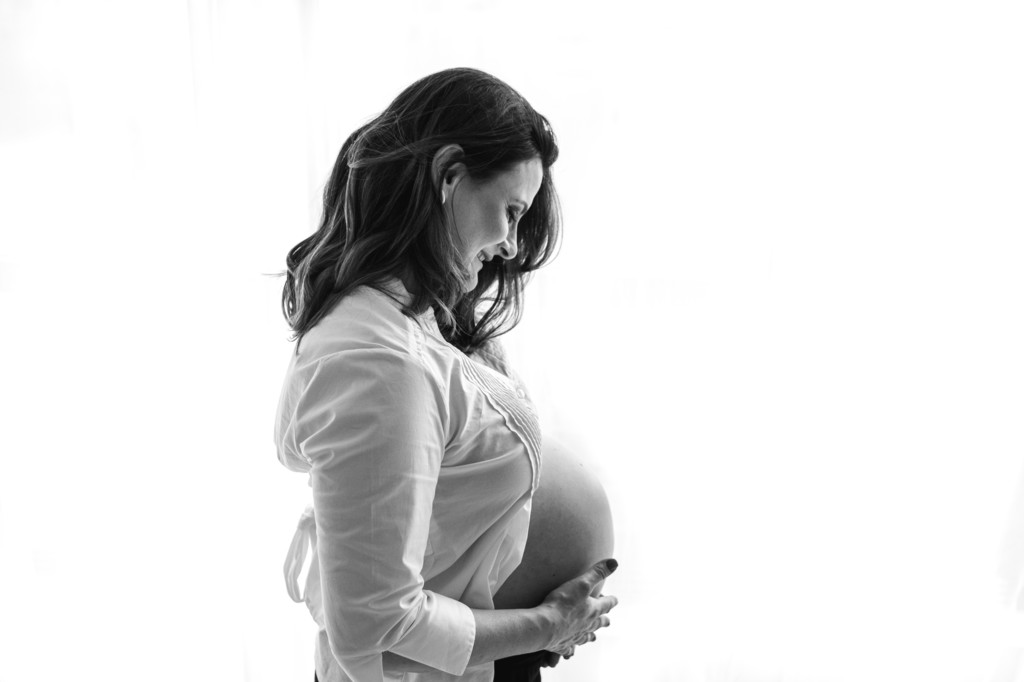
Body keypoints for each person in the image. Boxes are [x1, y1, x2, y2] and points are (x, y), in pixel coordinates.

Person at [275, 67, 618, 682]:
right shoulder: (377, 362)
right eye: (510, 211)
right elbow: (376, 629)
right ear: (449, 175)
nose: (512, 245)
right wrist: (547, 625)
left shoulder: (410, 324)